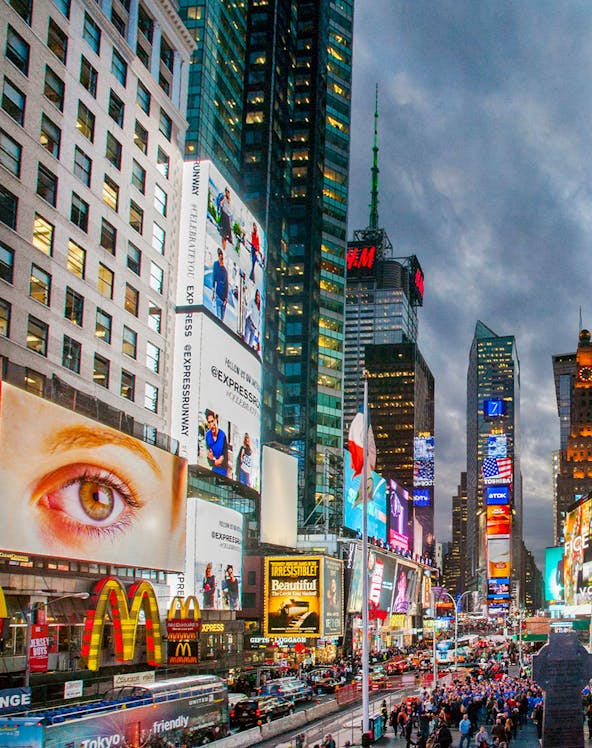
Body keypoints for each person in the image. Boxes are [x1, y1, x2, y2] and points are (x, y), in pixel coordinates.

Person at [205, 410, 228, 476]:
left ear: (215, 420)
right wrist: (214, 461)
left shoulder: (222, 435)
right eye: (209, 422)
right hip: (214, 468)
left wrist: (217, 460)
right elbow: (209, 456)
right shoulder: (208, 435)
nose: (211, 425)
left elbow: (224, 456)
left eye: (212, 421)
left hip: (222, 470)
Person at [212, 249, 229, 320]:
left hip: (223, 299)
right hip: (218, 296)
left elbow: (226, 285)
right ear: (218, 256)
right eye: (220, 257)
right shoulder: (215, 265)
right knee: (218, 318)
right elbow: (214, 279)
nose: (221, 259)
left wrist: (226, 298)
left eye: (222, 258)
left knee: (222, 320)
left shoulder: (225, 271)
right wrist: (213, 294)